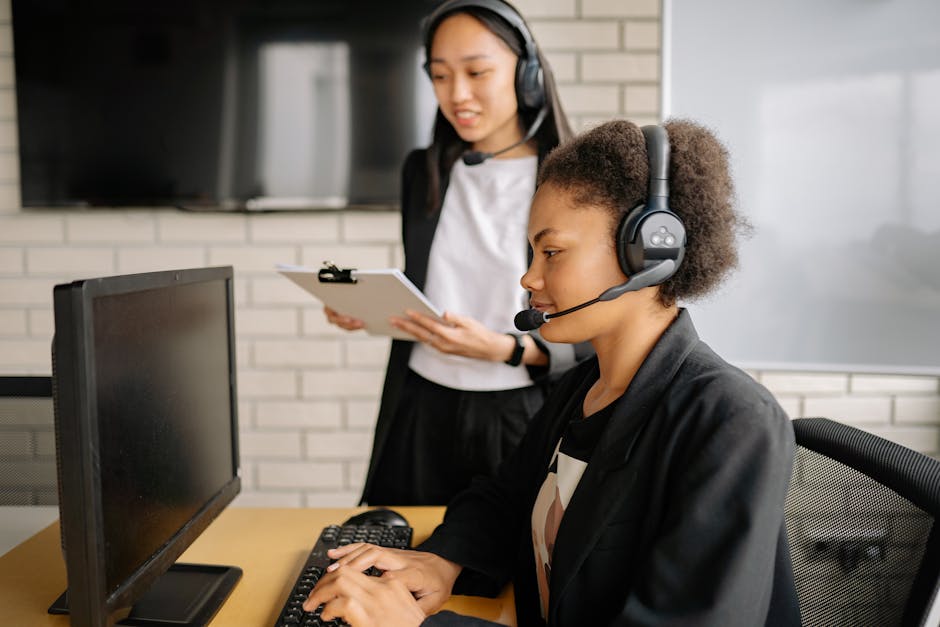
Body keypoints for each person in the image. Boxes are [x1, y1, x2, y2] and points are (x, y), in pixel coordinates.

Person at [303, 118, 801, 626]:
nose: (529, 277)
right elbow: (503, 499)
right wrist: (442, 560)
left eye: (552, 252)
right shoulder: (585, 387)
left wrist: (417, 626)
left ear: (649, 253)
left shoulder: (731, 423)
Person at [325, 0, 586, 506]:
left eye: (477, 72)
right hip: (420, 404)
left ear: (528, 75)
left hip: (519, 411)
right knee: (396, 550)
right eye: (440, 76)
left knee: (511, 568)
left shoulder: (571, 180)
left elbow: (596, 324)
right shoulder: (423, 171)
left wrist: (505, 349)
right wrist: (375, 306)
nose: (457, 95)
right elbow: (437, 279)